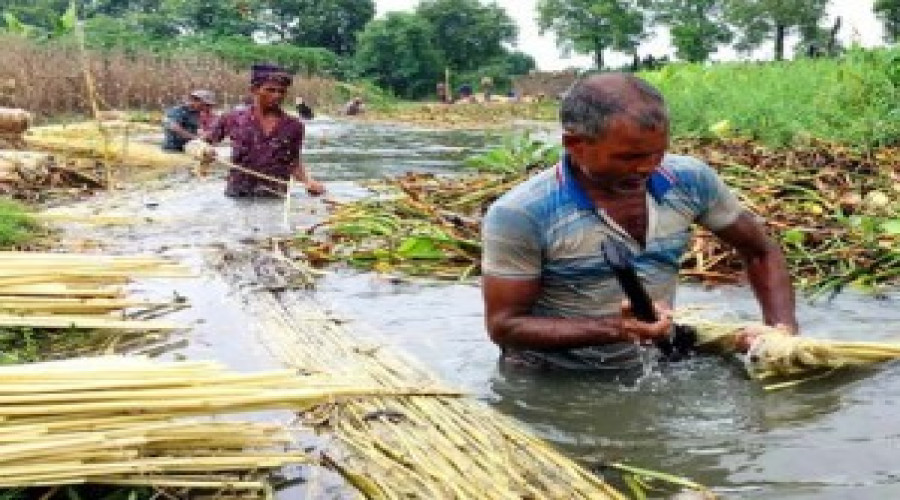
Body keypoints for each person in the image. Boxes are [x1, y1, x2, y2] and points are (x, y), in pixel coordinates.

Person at [480, 73, 798, 371]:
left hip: (655, 364)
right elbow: (505, 326)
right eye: (628, 157)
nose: (647, 168)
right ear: (575, 144)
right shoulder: (521, 214)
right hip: (555, 378)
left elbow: (760, 252)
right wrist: (615, 329)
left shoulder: (689, 181)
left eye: (657, 153)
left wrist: (781, 330)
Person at [202, 63, 324, 198]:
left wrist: (308, 181)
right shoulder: (232, 118)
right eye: (271, 90)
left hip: (276, 196)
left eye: (282, 91)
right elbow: (203, 142)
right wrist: (204, 151)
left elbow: (293, 162)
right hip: (238, 195)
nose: (277, 95)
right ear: (254, 90)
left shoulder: (294, 126)